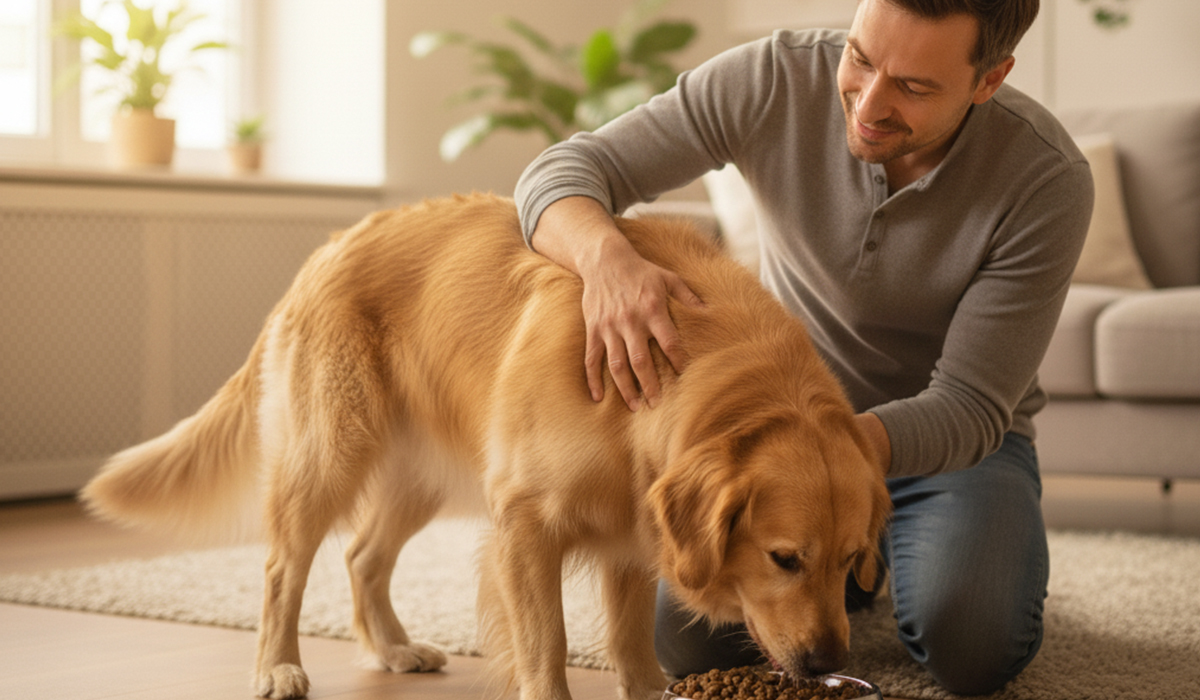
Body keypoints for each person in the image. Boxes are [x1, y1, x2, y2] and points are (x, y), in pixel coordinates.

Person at [513, 0, 1093, 694]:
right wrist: (606, 260)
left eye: (913, 86)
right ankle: (843, 565)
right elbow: (563, 170)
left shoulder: (1046, 178)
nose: (868, 104)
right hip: (781, 441)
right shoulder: (775, 79)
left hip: (951, 451)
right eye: (861, 58)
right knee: (692, 646)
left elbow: (969, 406)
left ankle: (877, 560)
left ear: (988, 80)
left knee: (974, 646)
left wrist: (830, 457)